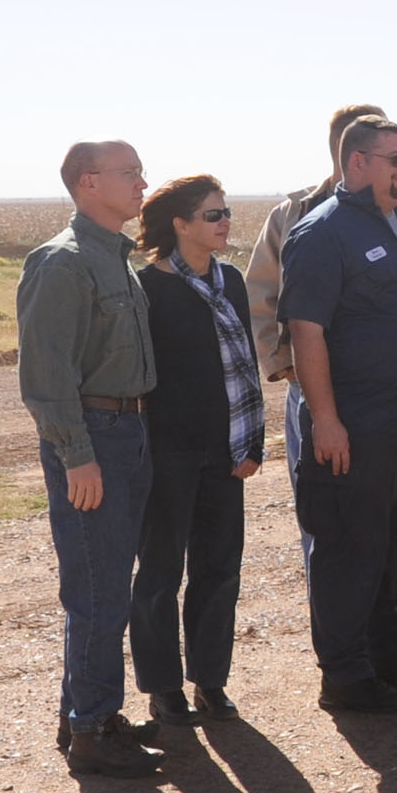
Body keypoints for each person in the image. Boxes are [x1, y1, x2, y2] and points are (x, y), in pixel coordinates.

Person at [282, 116, 397, 714]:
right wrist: (325, 420)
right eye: (394, 160)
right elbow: (306, 331)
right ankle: (346, 674)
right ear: (357, 162)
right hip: (356, 426)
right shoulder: (321, 232)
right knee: (349, 551)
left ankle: (386, 648)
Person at [16, 140, 164, 777]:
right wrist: (77, 456)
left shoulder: (115, 259)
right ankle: (92, 731)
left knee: (108, 585)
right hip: (93, 437)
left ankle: (85, 714)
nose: (141, 183)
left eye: (139, 172)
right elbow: (47, 376)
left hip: (128, 431)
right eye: (129, 173)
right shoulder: (63, 263)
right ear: (87, 183)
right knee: (100, 592)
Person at [130, 175, 263, 728]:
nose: (225, 221)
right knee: (160, 572)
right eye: (212, 215)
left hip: (226, 452)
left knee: (219, 569)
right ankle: (162, 689)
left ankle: (210, 680)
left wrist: (253, 441)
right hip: (168, 456)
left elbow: (246, 364)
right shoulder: (147, 288)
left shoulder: (230, 279)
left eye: (226, 212)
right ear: (180, 225)